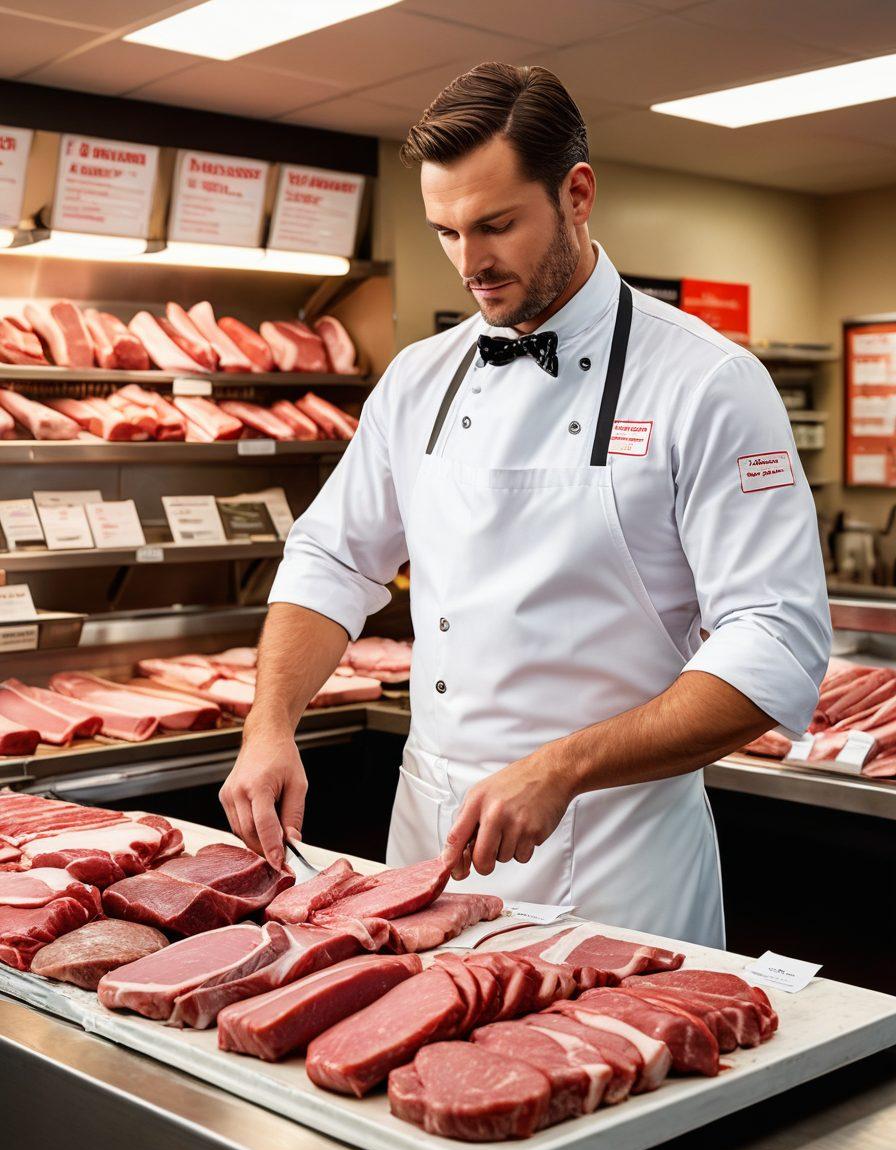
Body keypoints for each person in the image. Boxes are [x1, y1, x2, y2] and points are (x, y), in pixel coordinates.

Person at [220, 62, 830, 947]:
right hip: (426, 837)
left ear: (578, 193)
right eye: (445, 232)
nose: (470, 264)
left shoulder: (709, 381)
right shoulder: (419, 379)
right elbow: (331, 558)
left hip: (617, 860)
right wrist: (269, 723)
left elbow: (776, 642)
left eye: (496, 225)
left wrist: (565, 766)